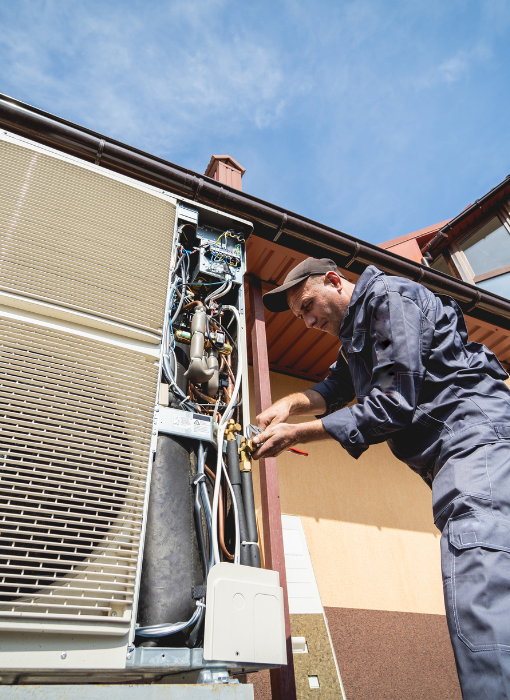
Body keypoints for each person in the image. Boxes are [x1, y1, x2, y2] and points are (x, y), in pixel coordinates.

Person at [253, 257, 510, 700]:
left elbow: (393, 404)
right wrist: (291, 402)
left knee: (477, 591)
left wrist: (298, 434)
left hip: (475, 445)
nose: (308, 320)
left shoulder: (390, 299)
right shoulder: (359, 335)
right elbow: (335, 388)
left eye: (309, 306)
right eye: (299, 316)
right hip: (471, 454)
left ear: (335, 281)